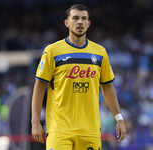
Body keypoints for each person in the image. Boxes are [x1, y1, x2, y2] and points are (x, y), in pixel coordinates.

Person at [31, 4, 126, 150]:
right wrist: (35, 122)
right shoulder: (52, 51)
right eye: (75, 18)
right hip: (60, 129)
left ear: (88, 24)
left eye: (84, 18)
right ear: (66, 23)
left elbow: (108, 87)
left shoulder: (100, 52)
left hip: (90, 131)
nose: (80, 22)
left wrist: (119, 118)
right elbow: (39, 87)